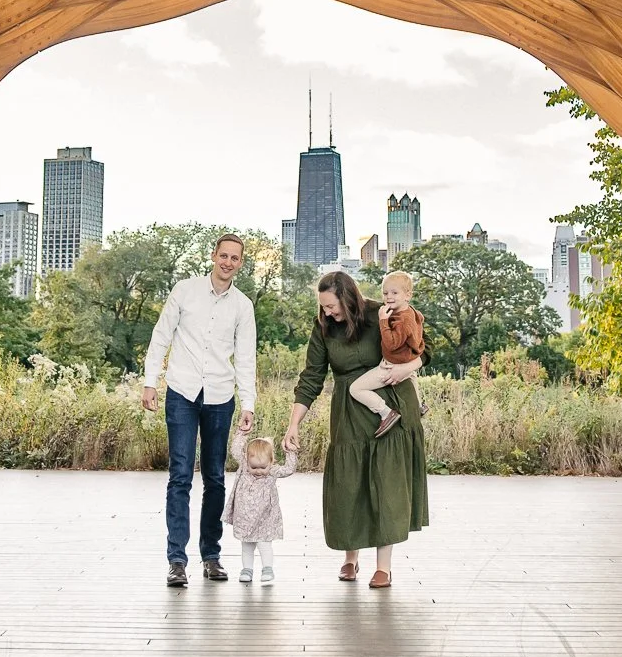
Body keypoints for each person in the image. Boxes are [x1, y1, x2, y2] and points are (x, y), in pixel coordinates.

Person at [285, 270, 429, 590]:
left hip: (390, 405)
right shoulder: (324, 326)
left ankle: (383, 568)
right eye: (323, 307)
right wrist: (294, 424)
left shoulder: (382, 312)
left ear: (348, 298)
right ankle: (350, 557)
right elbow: (311, 377)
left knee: (386, 487)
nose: (327, 312)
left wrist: (406, 368)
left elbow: (423, 348)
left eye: (331, 306)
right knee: (349, 485)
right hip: (349, 412)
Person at [141, 233, 256, 588]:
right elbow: (161, 336)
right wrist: (150, 381)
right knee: (180, 475)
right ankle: (177, 560)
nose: (228, 262)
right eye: (223, 255)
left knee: (215, 478)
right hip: (182, 392)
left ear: (240, 263)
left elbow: (246, 358)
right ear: (213, 255)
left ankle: (211, 556)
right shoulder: (185, 290)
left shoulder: (242, 306)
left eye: (234, 258)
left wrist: (248, 403)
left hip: (220, 396)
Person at [348, 271, 424, 438]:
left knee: (356, 389)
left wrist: (383, 321)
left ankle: (385, 412)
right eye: (385, 293)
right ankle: (419, 406)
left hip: (390, 366)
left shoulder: (402, 320)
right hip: (407, 361)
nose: (389, 297)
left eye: (394, 293)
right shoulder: (411, 312)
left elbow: (391, 343)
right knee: (411, 375)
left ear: (408, 295)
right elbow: (420, 319)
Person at [222, 428, 297, 583]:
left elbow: (289, 469)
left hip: (265, 518)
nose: (258, 471)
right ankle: (247, 570)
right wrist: (241, 434)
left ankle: (267, 569)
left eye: (263, 467)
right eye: (254, 467)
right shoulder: (244, 467)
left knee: (264, 544)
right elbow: (235, 450)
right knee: (247, 546)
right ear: (247, 461)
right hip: (245, 518)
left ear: (271, 462)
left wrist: (291, 452)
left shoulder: (272, 472)